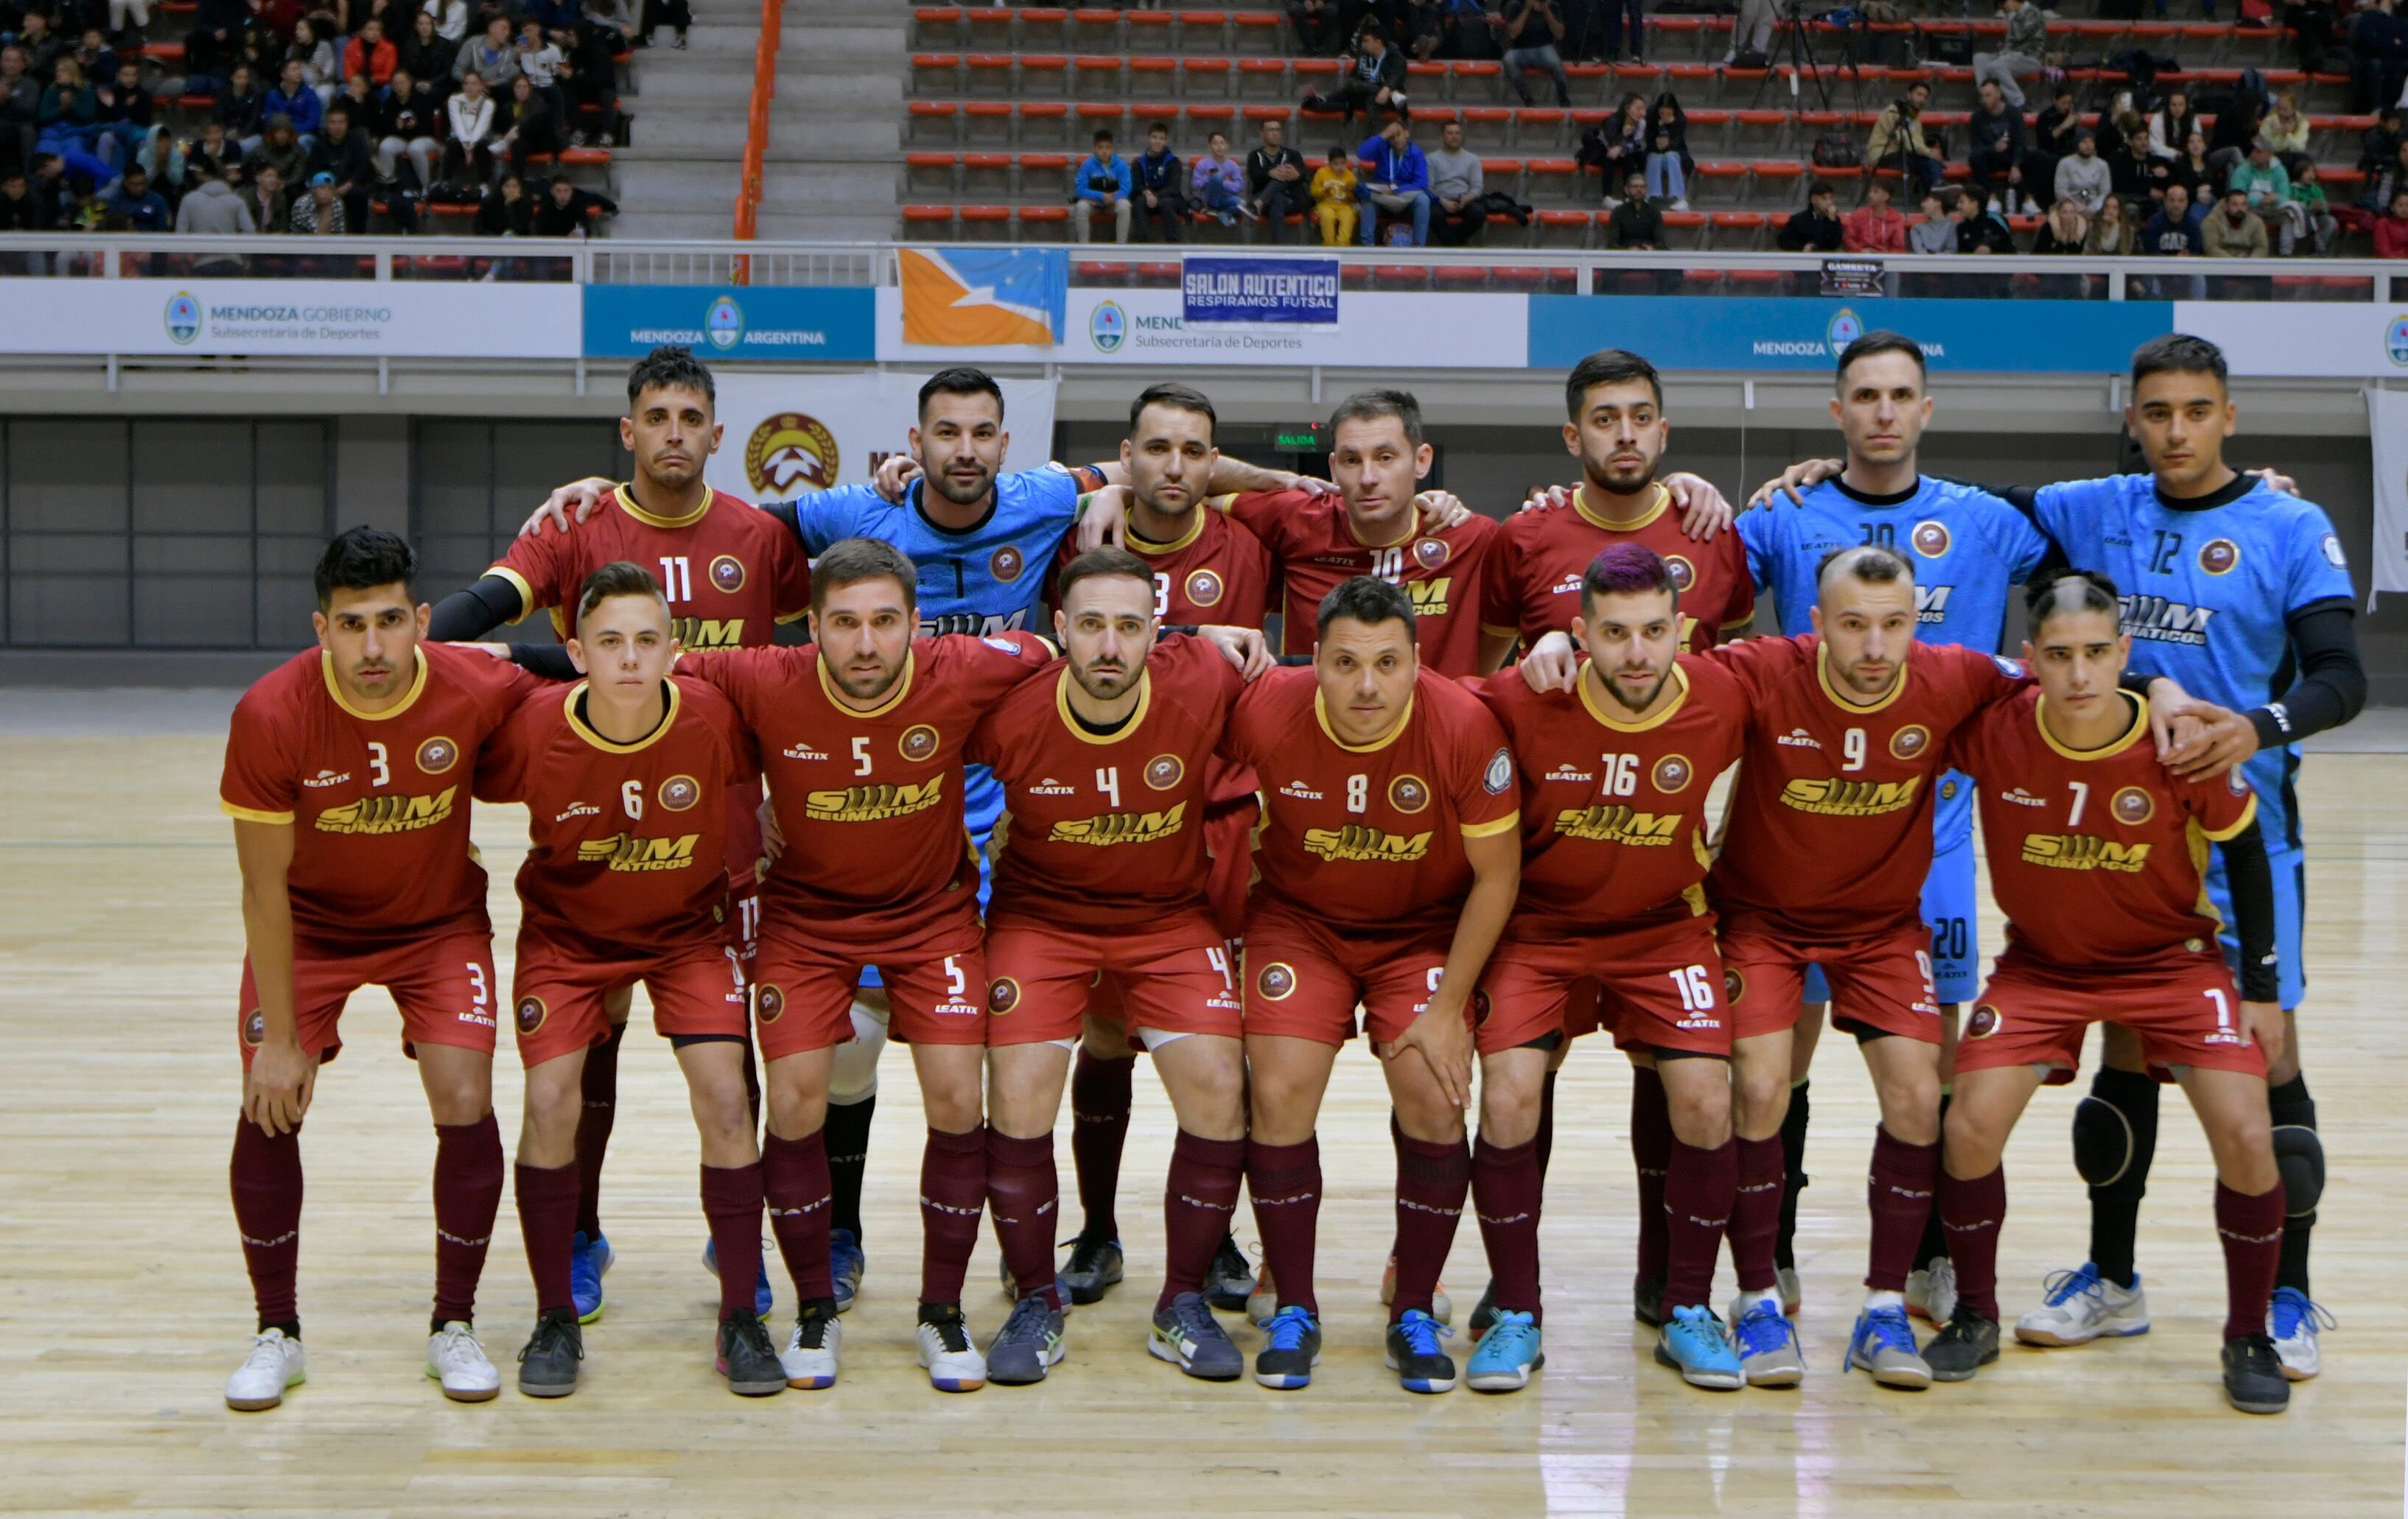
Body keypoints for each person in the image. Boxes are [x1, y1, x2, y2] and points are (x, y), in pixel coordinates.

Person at [518, 369, 1301, 1314]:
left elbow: (1171, 480)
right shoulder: (855, 515)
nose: (963, 449)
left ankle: (1058, 1248)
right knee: (839, 1053)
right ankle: (832, 1233)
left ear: (1004, 446)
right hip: (864, 825)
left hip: (995, 831)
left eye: (980, 433)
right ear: (915, 441)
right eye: (945, 433)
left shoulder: (1047, 500)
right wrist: (616, 498)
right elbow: (714, 522)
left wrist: (1281, 531)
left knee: (999, 1065)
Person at [431, 346, 811, 1322]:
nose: (675, 433)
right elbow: (492, 609)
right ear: (628, 431)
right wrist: (423, 643)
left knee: (737, 1064)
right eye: (659, 416)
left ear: (718, 435)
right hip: (596, 845)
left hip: (727, 851)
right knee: (580, 1058)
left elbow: (836, 631)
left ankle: (743, 1251)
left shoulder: (762, 538)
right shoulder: (577, 523)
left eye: (692, 416)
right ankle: (583, 1232)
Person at [1731, 332, 2054, 1323]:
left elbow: (2130, 536)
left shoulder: (1991, 519)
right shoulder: (1783, 512)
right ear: (1836, 411)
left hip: (1936, 833)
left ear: (1927, 408)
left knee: (1930, 1063)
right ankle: (1771, 1250)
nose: (1882, 411)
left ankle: (1927, 1256)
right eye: (1864, 394)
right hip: (1805, 825)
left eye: (1900, 394)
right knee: (1779, 1055)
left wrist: (2251, 486)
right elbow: (1684, 580)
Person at [1936, 569, 2292, 1415]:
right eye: (2059, 656)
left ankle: (2249, 1333)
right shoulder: (1997, 729)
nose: (2080, 674)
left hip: (2171, 965)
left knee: (2247, 1133)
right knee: (1968, 1124)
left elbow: (2246, 850)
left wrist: (2263, 987)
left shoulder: (2177, 742)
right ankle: (1975, 1314)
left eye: (2098, 653)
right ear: (2030, 661)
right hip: (2041, 967)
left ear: (2124, 653)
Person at [217, 527, 546, 1413]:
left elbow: (591, 671)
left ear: (424, 623)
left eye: (392, 621)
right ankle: (275, 1332)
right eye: (353, 625)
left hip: (436, 924)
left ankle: (455, 1323)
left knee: (466, 1098)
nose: (373, 647)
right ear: (320, 629)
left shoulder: (471, 681)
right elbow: (261, 888)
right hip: (311, 926)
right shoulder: (271, 713)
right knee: (270, 1095)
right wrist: (281, 1039)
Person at [475, 563, 779, 1398]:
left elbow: (785, 761)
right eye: (609, 642)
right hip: (569, 939)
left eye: (648, 640)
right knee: (549, 1102)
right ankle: (553, 1317)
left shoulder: (712, 715)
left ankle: (741, 1316)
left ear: (674, 649)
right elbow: (441, 777)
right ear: (574, 652)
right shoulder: (534, 729)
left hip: (687, 933)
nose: (630, 659)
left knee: (726, 1095)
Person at [968, 550, 1267, 1383]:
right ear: (1058, 628)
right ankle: (1036, 1299)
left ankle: (1180, 1302)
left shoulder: (1205, 675)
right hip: (1041, 918)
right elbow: (901, 750)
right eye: (1091, 625)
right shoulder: (1008, 705)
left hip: (1168, 918)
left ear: (1157, 632)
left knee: (1218, 1086)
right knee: (1020, 1091)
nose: (1109, 645)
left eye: (1129, 627)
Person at [1221, 575, 1522, 1394]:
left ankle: (1414, 1306)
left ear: (1417, 662)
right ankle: (1296, 1305)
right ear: (1311, 659)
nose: (1366, 685)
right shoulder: (1265, 707)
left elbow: (1497, 879)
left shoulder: (1462, 725)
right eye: (1346, 663)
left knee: (1432, 1090)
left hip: (1419, 930)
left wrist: (1449, 1009)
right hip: (1300, 922)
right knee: (1279, 1090)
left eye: (1387, 663)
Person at [1474, 544, 1760, 1389]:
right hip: (1539, 927)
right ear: (1579, 633)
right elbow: (1422, 702)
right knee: (1509, 1093)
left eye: (1651, 633)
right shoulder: (1528, 694)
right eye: (1613, 634)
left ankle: (1686, 1307)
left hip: (1663, 928)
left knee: (1709, 1097)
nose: (1634, 653)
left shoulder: (1723, 692)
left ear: (1683, 631)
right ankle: (1515, 1310)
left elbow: (1842, 666)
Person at [1046, 390, 1277, 1312]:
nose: (1174, 466)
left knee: (1215, 1044)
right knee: (1106, 1033)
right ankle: (1097, 1228)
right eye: (1156, 449)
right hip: (1108, 816)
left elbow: (1357, 505)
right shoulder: (1078, 539)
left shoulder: (1253, 546)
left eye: (1193, 451)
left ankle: (1214, 1233)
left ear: (1213, 463)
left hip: (1219, 822)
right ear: (1125, 456)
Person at [1486, 349, 1749, 663]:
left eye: (1641, 418)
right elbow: (1483, 673)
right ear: (1574, 438)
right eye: (1605, 420)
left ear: (1662, 434)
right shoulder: (1523, 536)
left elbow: (1737, 661)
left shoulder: (1710, 528)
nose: (1626, 436)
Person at [1302, 24, 1407, 125]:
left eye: (1366, 41)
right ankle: (1320, 100)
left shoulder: (1396, 58)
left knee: (1371, 99)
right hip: (1365, 94)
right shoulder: (1363, 55)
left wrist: (1387, 89)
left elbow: (1395, 77)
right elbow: (1354, 79)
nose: (1363, 44)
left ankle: (1370, 141)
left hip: (1387, 100)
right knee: (1316, 104)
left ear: (1378, 42)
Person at [1354, 114, 1429, 246]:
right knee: (1368, 201)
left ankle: (1419, 248)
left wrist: (1397, 190)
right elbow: (1362, 154)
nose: (1395, 140)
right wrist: (1383, 135)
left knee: (1423, 200)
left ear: (1407, 133)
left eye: (1398, 135)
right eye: (1391, 137)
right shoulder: (1383, 148)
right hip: (1383, 198)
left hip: (1405, 199)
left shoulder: (1417, 153)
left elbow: (1421, 183)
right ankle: (1368, 249)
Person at [1967, 77, 2038, 214]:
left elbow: (2020, 141)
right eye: (1982, 96)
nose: (1984, 99)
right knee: (1975, 158)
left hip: (2011, 155)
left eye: (1988, 95)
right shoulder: (1977, 118)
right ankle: (1992, 198)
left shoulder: (2014, 113)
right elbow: (1976, 147)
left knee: (2038, 157)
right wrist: (1993, 148)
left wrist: (2016, 165)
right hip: (1992, 157)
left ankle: (2029, 200)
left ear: (1998, 94)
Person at [1867, 82, 1941, 198]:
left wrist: (1928, 153)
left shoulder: (1915, 117)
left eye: (1925, 97)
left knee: (1928, 162)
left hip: (1900, 153)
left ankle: (1936, 194)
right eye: (1919, 94)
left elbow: (1917, 142)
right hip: (1883, 154)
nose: (1922, 99)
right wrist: (1929, 153)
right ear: (1909, 95)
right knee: (1925, 162)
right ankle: (1936, 195)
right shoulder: (1895, 111)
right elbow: (1905, 140)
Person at [1973, 0, 2047, 109]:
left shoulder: (2033, 13)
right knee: (1980, 58)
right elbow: (2010, 41)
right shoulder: (2012, 15)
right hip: (2012, 56)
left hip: (2031, 57)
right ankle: (1986, 97)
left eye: (2003, 6)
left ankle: (2019, 102)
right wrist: (2003, 53)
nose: (2003, 9)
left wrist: (2012, 15)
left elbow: (2019, 36)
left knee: (1995, 67)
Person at [1245, 116, 1309, 242]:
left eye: (1278, 130)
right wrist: (1270, 174)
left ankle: (1258, 204)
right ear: (1262, 133)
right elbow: (1255, 177)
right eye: (1271, 130)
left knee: (1283, 175)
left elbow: (1303, 175)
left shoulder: (1293, 154)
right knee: (1277, 197)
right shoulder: (1255, 156)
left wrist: (1296, 175)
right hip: (1269, 205)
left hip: (1292, 200)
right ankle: (1279, 247)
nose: (1275, 134)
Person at [1499, 0, 1571, 105]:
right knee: (1508, 60)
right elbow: (1513, 34)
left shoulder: (1552, 5)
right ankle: (1527, 97)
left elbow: (1559, 35)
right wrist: (1527, 9)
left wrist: (1546, 11)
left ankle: (1563, 97)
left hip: (1544, 48)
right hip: (1519, 49)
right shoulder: (1516, 5)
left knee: (1555, 63)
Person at [1426, 119, 1485, 245]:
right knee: (1433, 215)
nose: (1454, 137)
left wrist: (1465, 200)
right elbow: (1428, 188)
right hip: (1440, 199)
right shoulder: (1431, 159)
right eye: (1450, 133)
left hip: (1463, 198)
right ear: (1443, 137)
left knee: (1478, 214)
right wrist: (1444, 202)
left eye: (1458, 133)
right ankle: (1455, 245)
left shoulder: (1472, 159)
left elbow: (1477, 187)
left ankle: (1452, 244)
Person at [1074, 128, 1132, 244]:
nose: (1104, 151)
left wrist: (1111, 199)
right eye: (1101, 148)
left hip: (1113, 203)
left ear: (1112, 148)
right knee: (1081, 207)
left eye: (1108, 147)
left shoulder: (1121, 165)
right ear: (1094, 149)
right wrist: (1100, 197)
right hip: (1093, 203)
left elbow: (1126, 189)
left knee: (1125, 205)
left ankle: (1121, 246)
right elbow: (1080, 190)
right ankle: (1083, 246)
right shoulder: (1087, 165)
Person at [1131, 120, 1184, 243]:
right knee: (1139, 201)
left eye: (1161, 138)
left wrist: (1157, 196)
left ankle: (1172, 243)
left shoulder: (1174, 162)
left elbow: (1174, 187)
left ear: (1165, 141)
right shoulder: (1138, 162)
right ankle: (1142, 242)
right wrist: (1146, 193)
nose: (1157, 141)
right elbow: (1136, 185)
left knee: (1167, 203)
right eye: (1154, 137)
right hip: (1147, 198)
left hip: (1168, 198)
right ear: (1148, 138)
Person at [444, 68, 493, 183]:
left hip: (478, 140)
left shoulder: (487, 103)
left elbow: (481, 127)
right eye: (466, 83)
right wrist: (465, 143)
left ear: (481, 86)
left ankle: (484, 184)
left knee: (484, 146)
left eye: (474, 83)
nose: (470, 87)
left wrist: (470, 145)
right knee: (453, 144)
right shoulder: (454, 100)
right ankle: (446, 182)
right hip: (460, 139)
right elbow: (457, 124)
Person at [1190, 128, 1248, 227]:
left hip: (1225, 198)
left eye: (1222, 143)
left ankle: (1220, 213)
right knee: (1216, 176)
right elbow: (1195, 184)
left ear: (1227, 146)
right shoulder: (1202, 164)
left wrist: (1224, 182)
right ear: (1210, 147)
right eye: (1215, 144)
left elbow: (1239, 186)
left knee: (1243, 204)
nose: (1219, 147)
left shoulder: (1233, 165)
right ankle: (1213, 208)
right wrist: (1208, 178)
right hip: (1209, 198)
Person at [1643, 92, 1689, 208]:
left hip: (1675, 151)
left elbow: (1678, 141)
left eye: (1668, 113)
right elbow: (1649, 140)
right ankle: (1650, 195)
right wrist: (1657, 143)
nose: (1665, 116)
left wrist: (1670, 127)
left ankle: (1679, 197)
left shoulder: (1680, 119)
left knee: (1671, 157)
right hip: (1654, 150)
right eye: (1662, 113)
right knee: (1654, 158)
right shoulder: (1651, 116)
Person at [532, 172, 615, 236]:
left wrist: (579, 234)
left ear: (572, 191)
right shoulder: (546, 205)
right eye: (558, 191)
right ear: (552, 191)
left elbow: (586, 230)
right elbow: (540, 232)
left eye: (566, 191)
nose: (563, 195)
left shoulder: (578, 204)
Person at [2282, 161, 2336, 255]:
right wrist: (2308, 207)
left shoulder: (2316, 189)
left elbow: (2325, 208)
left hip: (2317, 215)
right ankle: (2320, 251)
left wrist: (2321, 207)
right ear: (2299, 173)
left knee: (2330, 221)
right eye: (2307, 172)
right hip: (2299, 218)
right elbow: (2293, 206)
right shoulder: (2292, 189)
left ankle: (2316, 251)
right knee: (2310, 221)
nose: (2311, 175)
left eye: (2313, 172)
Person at [2203, 185, 2270, 259]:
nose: (2240, 209)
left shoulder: (2256, 222)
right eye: (2235, 205)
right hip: (2222, 264)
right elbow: (2211, 248)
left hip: (2249, 264)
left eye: (2243, 204)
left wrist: (2250, 262)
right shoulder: (2211, 222)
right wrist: (2234, 263)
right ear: (2226, 206)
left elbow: (2262, 248)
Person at [1775, 180, 1843, 252]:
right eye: (1824, 198)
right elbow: (1783, 241)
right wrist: (1801, 247)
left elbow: (1835, 244)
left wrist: (1832, 222)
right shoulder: (1799, 220)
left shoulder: (1834, 220)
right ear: (1813, 200)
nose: (1829, 202)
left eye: (1831, 198)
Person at [1311, 143, 1357, 245]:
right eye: (1336, 164)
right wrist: (1324, 190)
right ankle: (1329, 244)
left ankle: (1343, 244)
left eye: (1343, 163)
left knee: (1349, 216)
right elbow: (1314, 191)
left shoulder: (1350, 177)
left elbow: (1354, 198)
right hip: (1325, 204)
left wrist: (1349, 192)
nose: (1340, 167)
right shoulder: (1322, 173)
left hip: (1344, 205)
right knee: (1328, 216)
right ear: (1330, 164)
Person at [2055, 130, 2110, 215]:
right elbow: (2061, 191)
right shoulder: (2065, 163)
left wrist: (2093, 208)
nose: (2088, 145)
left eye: (2091, 142)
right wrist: (2078, 207)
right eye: (2084, 142)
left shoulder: (2102, 165)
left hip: (2096, 209)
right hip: (2070, 208)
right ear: (2077, 144)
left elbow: (2105, 192)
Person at [1604, 169, 1663, 247]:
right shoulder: (1618, 211)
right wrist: (1629, 249)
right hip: (1624, 255)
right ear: (1626, 190)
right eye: (1635, 187)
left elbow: (1661, 242)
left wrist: (1652, 248)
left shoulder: (1654, 211)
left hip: (1649, 255)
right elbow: (1612, 243)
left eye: (1642, 187)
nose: (1639, 190)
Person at [1844, 178, 1906, 253]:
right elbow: (1848, 239)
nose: (1870, 195)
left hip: (1885, 259)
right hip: (1860, 257)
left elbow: (1898, 248)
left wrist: (1883, 255)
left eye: (1875, 192)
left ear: (1886, 196)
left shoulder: (1896, 219)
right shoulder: (1858, 215)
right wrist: (1860, 251)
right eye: (1870, 191)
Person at [475, 168, 531, 233]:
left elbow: (521, 229)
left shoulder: (526, 204)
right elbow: (479, 228)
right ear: (501, 188)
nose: (511, 190)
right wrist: (506, 206)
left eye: (515, 186)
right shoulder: (489, 202)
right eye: (507, 186)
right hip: (493, 240)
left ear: (520, 188)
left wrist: (510, 206)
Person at [2085, 190, 2136, 254]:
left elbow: (2109, 248)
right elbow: (2086, 251)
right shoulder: (2094, 227)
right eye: (2107, 207)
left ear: (2120, 211)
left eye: (2115, 208)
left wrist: (2116, 225)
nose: (2110, 211)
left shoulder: (2129, 229)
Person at [2376, 186, 2408, 256]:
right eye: (2400, 205)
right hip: (2389, 264)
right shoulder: (2383, 223)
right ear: (2392, 207)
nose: (2404, 209)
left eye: (2407, 205)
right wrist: (2404, 255)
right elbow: (2383, 251)